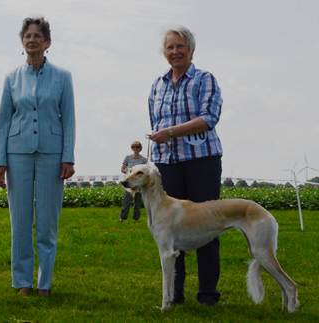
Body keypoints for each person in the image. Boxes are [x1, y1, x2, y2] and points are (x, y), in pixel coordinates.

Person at [0, 16, 76, 297]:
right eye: (28, 36)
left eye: (37, 36)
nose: (32, 40)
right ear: (22, 41)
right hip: (17, 153)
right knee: (20, 222)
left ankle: (44, 283)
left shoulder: (63, 77)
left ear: (48, 42)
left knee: (47, 223)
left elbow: (69, 121)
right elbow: (3, 122)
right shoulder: (11, 78)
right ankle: (23, 282)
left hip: (53, 155)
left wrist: (68, 157)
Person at [148, 25, 223, 307]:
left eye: (180, 47)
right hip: (167, 165)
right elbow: (156, 124)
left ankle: (207, 295)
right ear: (164, 53)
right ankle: (174, 296)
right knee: (170, 236)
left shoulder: (205, 79)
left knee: (207, 229)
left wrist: (171, 132)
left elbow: (209, 118)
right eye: (170, 47)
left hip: (202, 162)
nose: (175, 52)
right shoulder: (157, 85)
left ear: (191, 50)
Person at [119, 141, 147, 222]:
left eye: (137, 147)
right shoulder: (127, 157)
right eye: (134, 147)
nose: (135, 149)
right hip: (129, 182)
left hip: (138, 183)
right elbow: (122, 169)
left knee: (137, 202)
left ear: (140, 149)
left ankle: (136, 218)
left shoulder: (144, 159)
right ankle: (122, 217)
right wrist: (130, 173)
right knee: (126, 201)